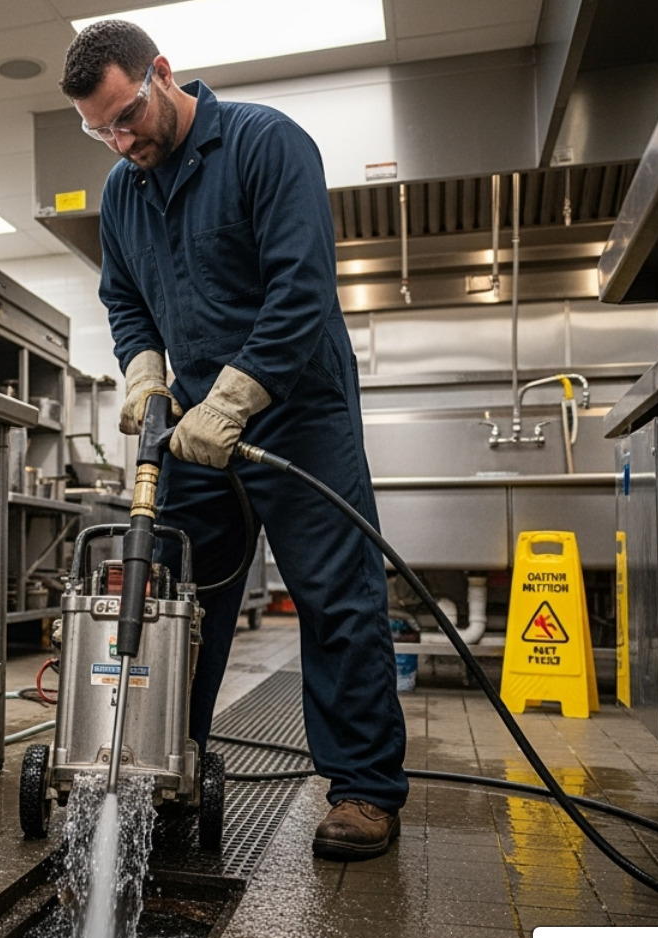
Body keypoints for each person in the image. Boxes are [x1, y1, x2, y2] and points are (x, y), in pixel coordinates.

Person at [60, 20, 408, 860]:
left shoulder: (265, 144)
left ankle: (362, 790)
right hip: (191, 426)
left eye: (127, 114)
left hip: (298, 405)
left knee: (334, 594)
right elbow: (125, 301)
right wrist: (146, 377)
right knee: (180, 596)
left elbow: (301, 286)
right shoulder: (121, 191)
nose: (120, 138)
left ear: (162, 75)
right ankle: (161, 766)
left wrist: (238, 396)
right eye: (99, 128)